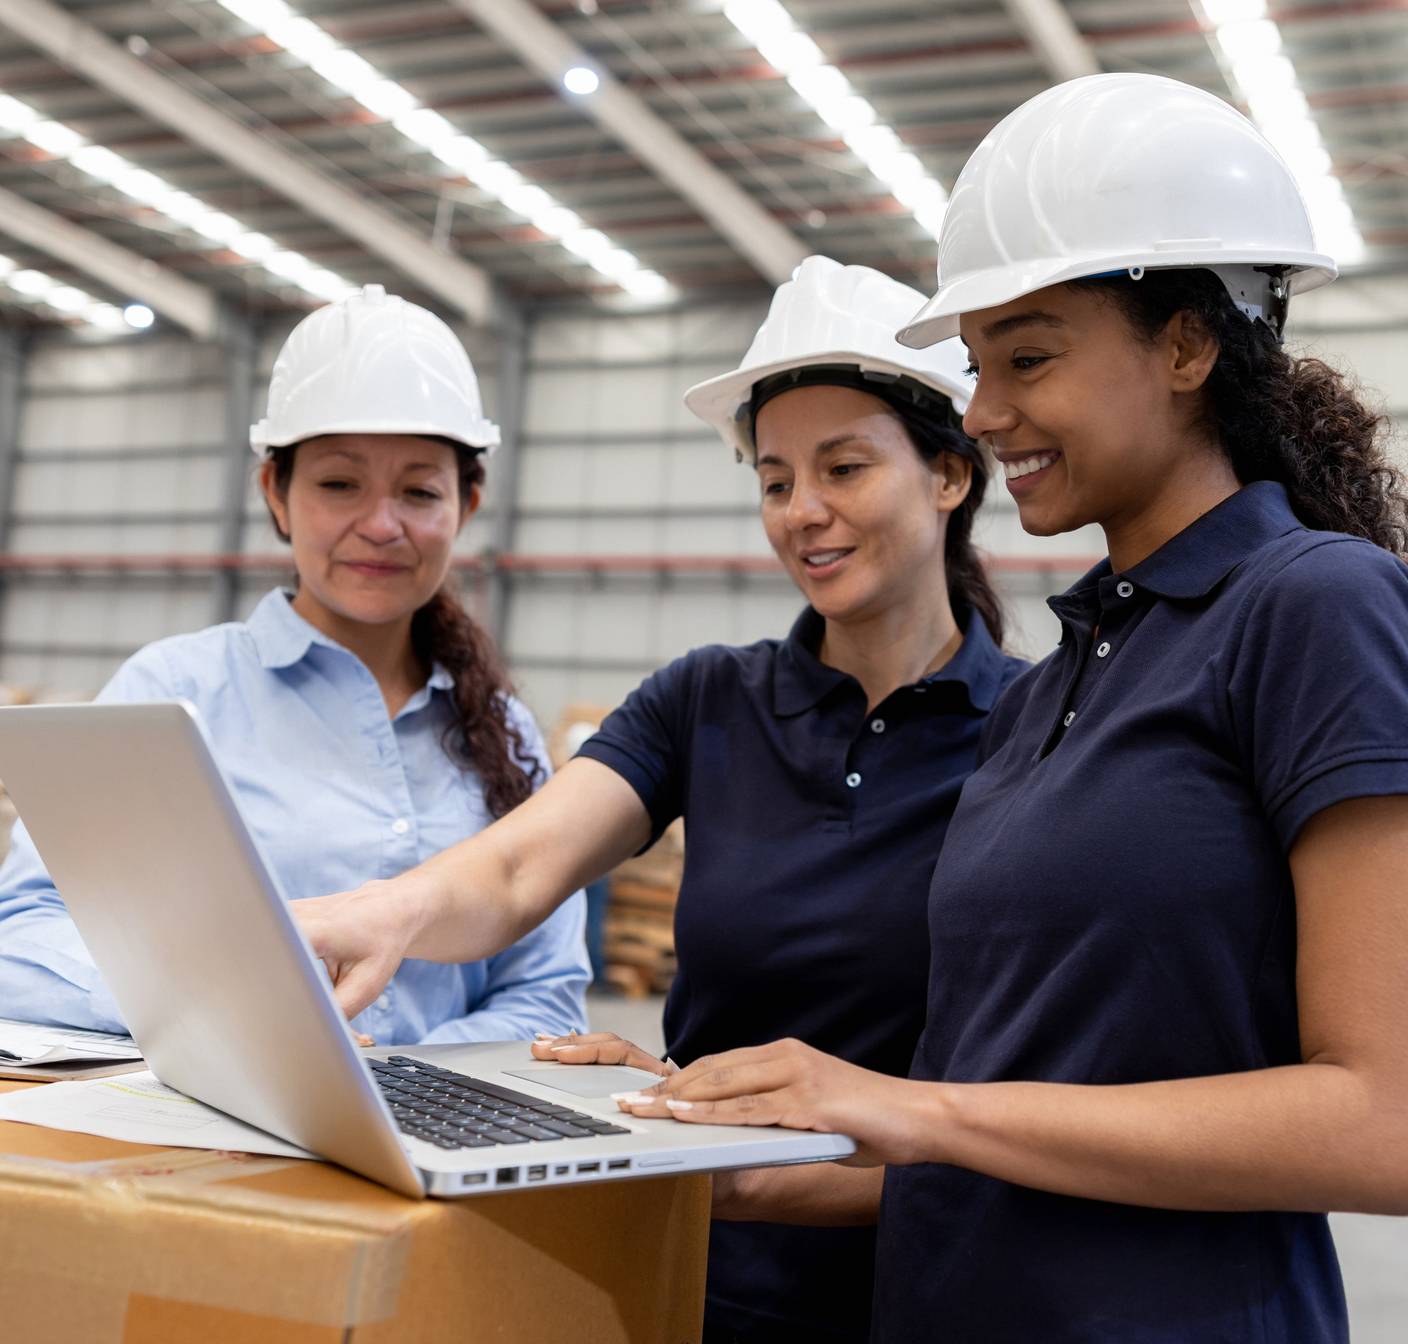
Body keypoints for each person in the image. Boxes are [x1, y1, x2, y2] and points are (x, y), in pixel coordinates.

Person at [609, 74, 1408, 1342]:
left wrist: (915, 1106)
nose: (981, 412)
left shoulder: (1312, 607)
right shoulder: (1058, 681)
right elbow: (992, 1126)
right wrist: (681, 1127)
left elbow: (1383, 1122)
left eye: (1026, 356)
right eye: (976, 364)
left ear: (1188, 344)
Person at [294, 257, 1027, 1343]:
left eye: (844, 467)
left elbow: (1030, 1098)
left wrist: (741, 1167)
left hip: (928, 1289)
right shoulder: (707, 700)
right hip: (698, 1277)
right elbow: (514, 868)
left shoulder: (1039, 728)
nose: (803, 513)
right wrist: (381, 916)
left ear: (950, 475)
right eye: (775, 480)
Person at [0, 284, 588, 1047]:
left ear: (467, 505)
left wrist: (400, 1076)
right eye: (339, 484)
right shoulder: (177, 693)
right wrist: (238, 1001)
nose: (380, 526)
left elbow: (544, 994)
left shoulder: (502, 731)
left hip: (433, 1145)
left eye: (418, 491)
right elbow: (26, 937)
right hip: (227, 1136)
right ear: (276, 494)